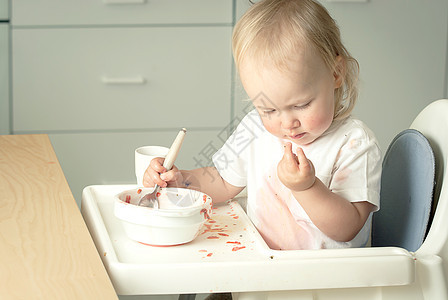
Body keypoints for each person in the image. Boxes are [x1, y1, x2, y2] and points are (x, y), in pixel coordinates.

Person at [143, 0, 381, 251]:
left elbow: (348, 228)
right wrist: (181, 181)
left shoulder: (354, 142)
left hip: (324, 282)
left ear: (335, 73)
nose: (288, 123)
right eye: (269, 109)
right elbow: (222, 181)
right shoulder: (254, 128)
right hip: (261, 269)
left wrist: (307, 188)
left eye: (302, 105)